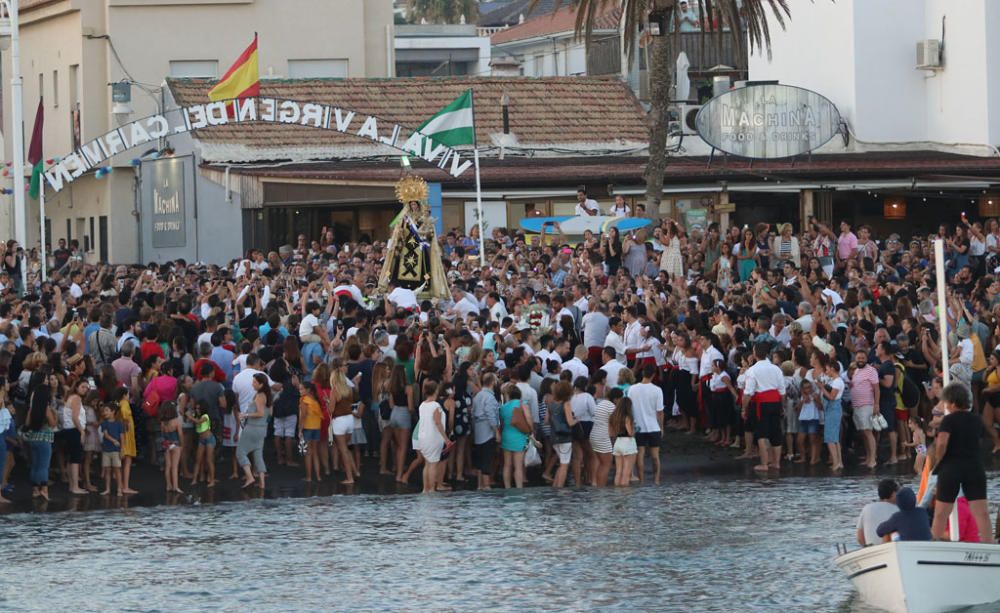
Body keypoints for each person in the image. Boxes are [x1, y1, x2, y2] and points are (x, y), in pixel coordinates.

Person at [930, 383, 994, 544]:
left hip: (951, 467)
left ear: (952, 402)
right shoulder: (976, 420)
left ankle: (933, 543)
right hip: (974, 466)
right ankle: (989, 545)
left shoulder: (948, 420)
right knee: (981, 513)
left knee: (941, 513)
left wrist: (939, 460)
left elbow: (942, 443)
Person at [742, 342, 786, 472]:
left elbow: (748, 392)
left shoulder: (752, 370)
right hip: (776, 401)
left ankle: (764, 463)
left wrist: (744, 408)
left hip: (762, 403)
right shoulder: (776, 369)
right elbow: (782, 391)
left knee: (762, 433)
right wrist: (782, 406)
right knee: (775, 431)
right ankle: (776, 462)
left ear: (755, 354)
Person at [627, 364, 664, 484]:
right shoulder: (657, 390)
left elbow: (629, 409)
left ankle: (642, 480)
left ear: (642, 374)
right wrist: (661, 427)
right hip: (653, 427)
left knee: (640, 454)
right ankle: (656, 480)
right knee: (655, 456)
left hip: (638, 427)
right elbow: (660, 412)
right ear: (653, 375)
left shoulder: (632, 389)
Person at [237, 374, 271, 490]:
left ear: (261, 384)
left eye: (255, 382)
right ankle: (262, 483)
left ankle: (250, 477)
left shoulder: (259, 396)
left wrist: (245, 414)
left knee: (240, 452)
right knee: (258, 454)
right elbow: (269, 413)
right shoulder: (267, 395)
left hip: (252, 427)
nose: (252, 384)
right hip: (262, 429)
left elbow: (260, 413)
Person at [416, 379, 448, 494]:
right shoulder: (436, 406)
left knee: (427, 464)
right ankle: (432, 489)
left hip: (423, 437)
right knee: (434, 463)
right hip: (433, 437)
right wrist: (446, 439)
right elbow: (438, 423)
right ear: (436, 391)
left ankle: (426, 488)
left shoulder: (422, 405)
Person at [471, 372, 501, 491]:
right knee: (487, 459)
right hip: (487, 432)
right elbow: (490, 415)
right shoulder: (489, 397)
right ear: (493, 382)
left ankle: (480, 485)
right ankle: (487, 485)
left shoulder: (478, 396)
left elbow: (473, 414)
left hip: (478, 431)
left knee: (480, 460)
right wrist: (496, 431)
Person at [499, 383, 531, 489]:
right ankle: (519, 487)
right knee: (518, 466)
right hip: (519, 435)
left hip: (506, 435)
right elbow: (528, 418)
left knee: (507, 464)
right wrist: (531, 430)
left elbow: (502, 424)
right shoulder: (523, 403)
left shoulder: (503, 407)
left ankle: (507, 487)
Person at [856, 479, 899, 546]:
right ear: (893, 494)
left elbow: (859, 538)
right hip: (890, 548)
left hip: (871, 550)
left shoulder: (867, 508)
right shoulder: (898, 510)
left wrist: (865, 548)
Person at [297, 380, 323, 483]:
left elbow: (302, 416)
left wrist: (300, 430)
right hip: (317, 427)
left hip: (307, 427)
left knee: (308, 453)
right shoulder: (315, 400)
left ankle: (309, 477)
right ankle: (318, 476)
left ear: (308, 390)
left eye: (302, 389)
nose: (300, 391)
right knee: (315, 452)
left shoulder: (304, 400)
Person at [609, 394, 637, 487]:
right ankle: (625, 493)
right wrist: (635, 429)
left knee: (619, 470)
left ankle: (617, 492)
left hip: (618, 442)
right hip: (627, 443)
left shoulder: (614, 417)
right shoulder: (627, 417)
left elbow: (611, 433)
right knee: (627, 471)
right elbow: (630, 433)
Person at [98, 403, 125, 496]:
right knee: (108, 470)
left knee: (117, 470)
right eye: (104, 411)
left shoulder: (119, 423)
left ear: (113, 412)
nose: (104, 412)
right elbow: (105, 434)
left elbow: (122, 437)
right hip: (106, 449)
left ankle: (119, 489)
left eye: (106, 410)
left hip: (115, 450)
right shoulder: (104, 423)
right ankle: (107, 489)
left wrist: (122, 449)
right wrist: (114, 441)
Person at [159, 401, 183, 494]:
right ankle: (176, 487)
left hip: (166, 444)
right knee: (175, 467)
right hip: (175, 444)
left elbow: (162, 434)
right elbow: (180, 434)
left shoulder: (163, 423)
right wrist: (181, 443)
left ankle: (168, 485)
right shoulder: (177, 421)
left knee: (168, 466)